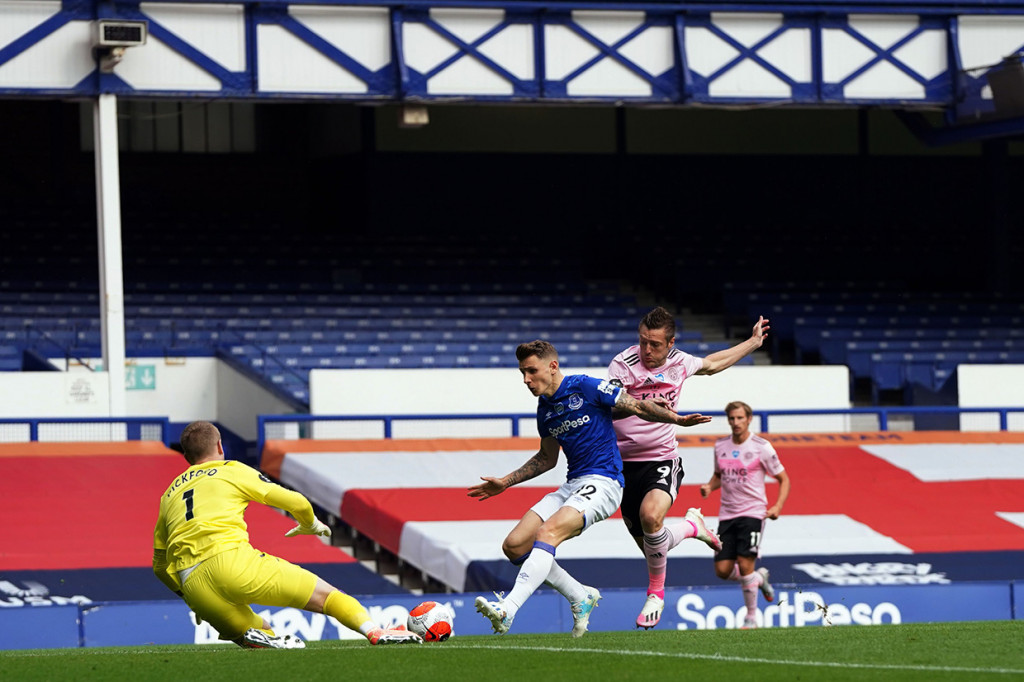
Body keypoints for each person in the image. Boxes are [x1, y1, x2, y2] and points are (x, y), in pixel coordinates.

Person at [469, 340, 710, 638]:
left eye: (531, 371)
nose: (526, 380)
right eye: (522, 373)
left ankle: (509, 609)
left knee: (547, 534)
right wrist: (505, 482)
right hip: (573, 484)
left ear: (553, 366)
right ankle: (579, 595)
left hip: (605, 482)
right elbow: (547, 458)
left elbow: (636, 405)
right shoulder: (545, 408)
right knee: (515, 545)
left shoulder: (584, 386)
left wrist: (677, 419)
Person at [152, 420, 422, 648]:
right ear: (220, 446)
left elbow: (160, 567)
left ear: (186, 457)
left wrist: (189, 596)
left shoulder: (168, 495)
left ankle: (254, 635)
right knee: (327, 597)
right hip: (231, 562)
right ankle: (375, 631)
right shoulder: (230, 470)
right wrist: (310, 524)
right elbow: (297, 502)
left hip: (193, 585)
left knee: (262, 634)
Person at [607, 306, 770, 629]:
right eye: (642, 342)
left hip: (661, 457)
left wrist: (751, 343)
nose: (647, 351)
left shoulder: (680, 362)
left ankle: (656, 594)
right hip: (622, 463)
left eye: (654, 344)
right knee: (655, 546)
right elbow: (609, 408)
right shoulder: (622, 364)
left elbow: (711, 364)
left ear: (671, 343)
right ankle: (693, 527)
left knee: (652, 517)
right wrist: (646, 408)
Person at [700, 401, 791, 629]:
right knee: (722, 570)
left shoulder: (762, 446)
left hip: (753, 512)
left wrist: (778, 506)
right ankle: (758, 579)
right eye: (732, 418)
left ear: (749, 419)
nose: (736, 423)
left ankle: (751, 617)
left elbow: (784, 479)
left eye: (740, 418)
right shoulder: (720, 445)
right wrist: (710, 486)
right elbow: (719, 474)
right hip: (727, 514)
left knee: (745, 563)